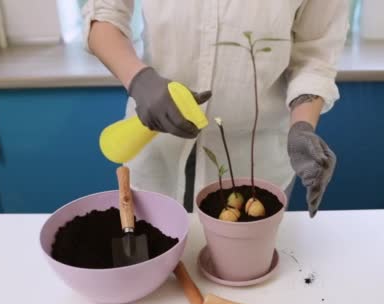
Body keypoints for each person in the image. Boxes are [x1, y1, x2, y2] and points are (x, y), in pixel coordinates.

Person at [83, 1, 349, 217]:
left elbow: (315, 56)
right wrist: (139, 79)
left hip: (256, 159)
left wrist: (302, 125)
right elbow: (102, 14)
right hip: (156, 142)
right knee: (159, 269)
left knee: (246, 273)